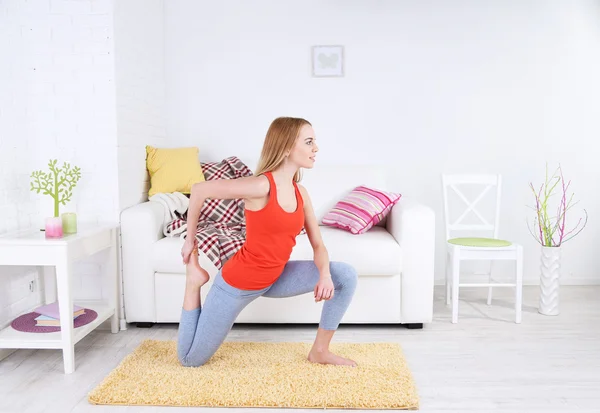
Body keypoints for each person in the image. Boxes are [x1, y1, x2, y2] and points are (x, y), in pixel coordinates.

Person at [178, 117, 358, 368]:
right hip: (238, 283)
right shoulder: (261, 186)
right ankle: (193, 282)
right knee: (190, 360)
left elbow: (319, 245)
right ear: (286, 147)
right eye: (309, 142)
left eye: (315, 142)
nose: (316, 148)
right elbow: (199, 190)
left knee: (346, 275)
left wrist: (325, 275)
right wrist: (190, 241)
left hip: (276, 277)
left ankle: (320, 351)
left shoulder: (300, 193)